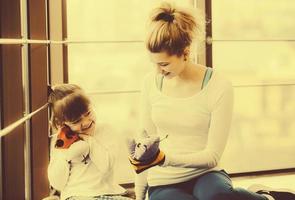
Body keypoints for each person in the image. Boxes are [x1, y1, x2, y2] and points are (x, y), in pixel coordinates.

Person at [132, 2, 295, 200]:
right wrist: (139, 196)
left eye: (164, 64)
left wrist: (165, 159)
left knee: (216, 196)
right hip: (164, 182)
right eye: (154, 64)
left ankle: (266, 197)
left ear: (185, 51)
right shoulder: (150, 83)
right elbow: (143, 148)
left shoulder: (219, 85)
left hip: (206, 174)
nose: (158, 71)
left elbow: (212, 157)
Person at [47, 84, 132, 200]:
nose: (86, 122)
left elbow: (106, 166)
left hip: (108, 193)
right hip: (75, 195)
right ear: (62, 124)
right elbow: (57, 183)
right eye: (76, 121)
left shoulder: (105, 130)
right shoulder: (60, 142)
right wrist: (64, 155)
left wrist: (89, 140)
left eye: (88, 113)